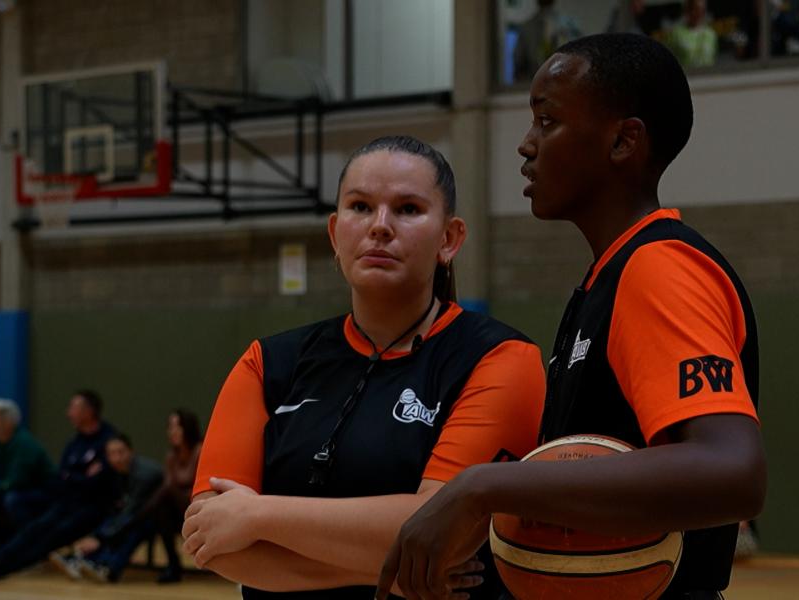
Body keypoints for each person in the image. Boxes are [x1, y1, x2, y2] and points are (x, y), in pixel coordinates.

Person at [378, 33, 764, 600]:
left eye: (547, 121)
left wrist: (482, 487)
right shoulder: (605, 278)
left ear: (623, 141)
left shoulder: (657, 269)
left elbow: (731, 470)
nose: (526, 146)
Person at [181, 135, 546, 599]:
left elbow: (442, 529)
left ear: (449, 239)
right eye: (360, 206)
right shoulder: (267, 362)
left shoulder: (501, 357)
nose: (380, 226)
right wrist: (392, 573)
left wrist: (257, 516)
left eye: (408, 209)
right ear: (335, 233)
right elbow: (211, 540)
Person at [0, 390, 118, 580]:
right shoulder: (75, 441)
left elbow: (97, 481)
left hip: (94, 506)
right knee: (37, 528)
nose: (68, 413)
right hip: (67, 500)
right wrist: (80, 476)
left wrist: (75, 477)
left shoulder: (108, 440)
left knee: (52, 535)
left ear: (88, 411)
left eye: (73, 407)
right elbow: (63, 475)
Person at [48, 433, 163, 583]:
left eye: (121, 452)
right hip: (135, 515)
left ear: (131, 451)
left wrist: (99, 538)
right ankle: (82, 559)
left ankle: (107, 566)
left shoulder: (144, 475)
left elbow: (133, 511)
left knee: (130, 528)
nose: (117, 458)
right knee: (109, 519)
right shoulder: (117, 473)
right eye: (112, 454)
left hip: (161, 518)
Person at [136, 408, 203, 583]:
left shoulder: (200, 451)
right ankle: (173, 565)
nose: (171, 431)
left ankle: (134, 520)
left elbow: (200, 490)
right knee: (161, 509)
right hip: (176, 513)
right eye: (170, 427)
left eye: (176, 427)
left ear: (187, 428)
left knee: (165, 491)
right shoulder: (171, 456)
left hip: (197, 509)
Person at [0, 398, 54, 545]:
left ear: (7, 422)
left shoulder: (24, 444)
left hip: (42, 493)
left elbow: (16, 481)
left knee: (12, 500)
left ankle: (30, 542)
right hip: (14, 490)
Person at [513, 0, 582, 83]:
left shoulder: (569, 26)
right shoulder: (526, 29)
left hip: (565, 85)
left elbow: (579, 59)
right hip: (533, 85)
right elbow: (518, 65)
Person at [664, 0, 718, 68]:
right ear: (687, 11)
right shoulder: (675, 34)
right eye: (694, 9)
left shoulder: (711, 34)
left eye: (701, 10)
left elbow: (713, 58)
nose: (697, 13)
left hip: (710, 77)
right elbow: (667, 59)